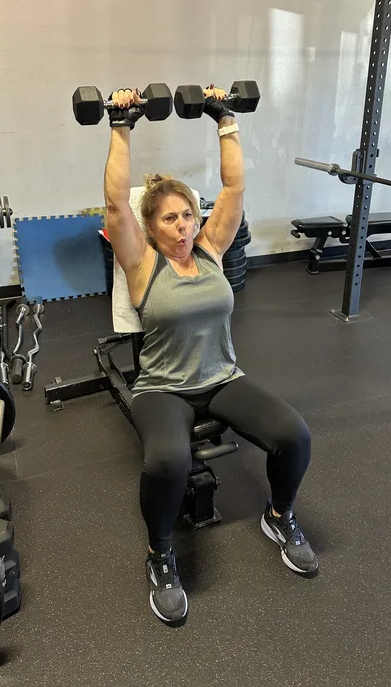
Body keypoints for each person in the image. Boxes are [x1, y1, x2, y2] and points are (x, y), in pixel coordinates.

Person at [103, 85, 317, 625]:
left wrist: (225, 119)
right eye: (170, 219)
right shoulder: (142, 266)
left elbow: (234, 186)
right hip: (163, 388)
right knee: (169, 463)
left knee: (294, 435)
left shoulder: (211, 248)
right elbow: (113, 204)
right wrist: (120, 124)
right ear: (150, 227)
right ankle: (160, 554)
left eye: (188, 216)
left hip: (222, 377)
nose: (183, 227)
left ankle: (279, 514)